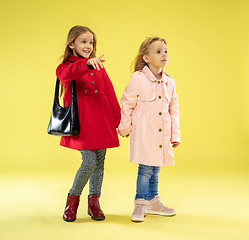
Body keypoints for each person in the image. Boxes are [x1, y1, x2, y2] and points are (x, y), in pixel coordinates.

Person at [56, 25, 121, 222]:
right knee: (89, 162)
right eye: (83, 41)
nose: (88, 46)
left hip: (103, 120)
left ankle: (94, 203)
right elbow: (65, 75)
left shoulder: (99, 66)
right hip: (83, 123)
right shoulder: (66, 67)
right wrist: (87, 64)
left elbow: (109, 92)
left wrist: (118, 120)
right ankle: (72, 201)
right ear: (72, 44)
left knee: (100, 163)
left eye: (91, 42)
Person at [118, 37, 181, 222]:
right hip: (145, 132)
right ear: (146, 58)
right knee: (145, 169)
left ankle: (153, 201)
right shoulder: (138, 78)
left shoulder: (170, 82)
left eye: (166, 51)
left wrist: (175, 134)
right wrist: (125, 127)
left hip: (162, 132)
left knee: (156, 168)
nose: (164, 55)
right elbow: (127, 103)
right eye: (158, 51)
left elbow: (174, 109)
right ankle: (140, 203)